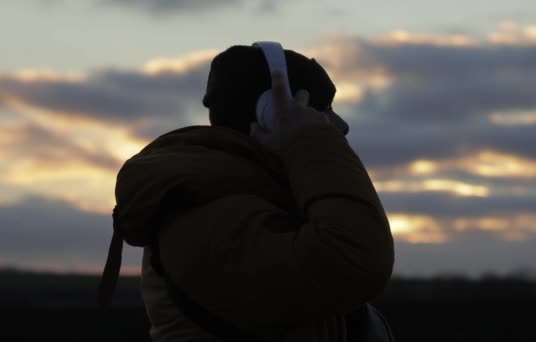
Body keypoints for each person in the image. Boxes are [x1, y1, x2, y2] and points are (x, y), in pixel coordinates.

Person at [113, 44, 395, 341]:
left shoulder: (250, 200)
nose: (341, 125)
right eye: (322, 109)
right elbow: (356, 261)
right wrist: (312, 141)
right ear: (268, 114)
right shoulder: (202, 216)